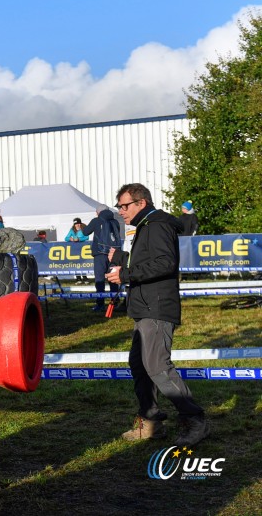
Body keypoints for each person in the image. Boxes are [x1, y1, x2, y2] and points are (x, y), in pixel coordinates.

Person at [106, 183, 208, 446]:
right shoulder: (146, 226)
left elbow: (165, 263)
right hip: (144, 307)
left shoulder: (157, 224)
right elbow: (148, 261)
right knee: (140, 367)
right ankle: (151, 422)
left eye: (124, 206)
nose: (120, 211)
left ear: (141, 203)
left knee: (157, 366)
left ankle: (194, 420)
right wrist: (122, 258)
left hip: (157, 307)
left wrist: (125, 274)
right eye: (119, 206)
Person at [82, 205, 121, 311]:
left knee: (100, 280)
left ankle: (100, 304)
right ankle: (115, 303)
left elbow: (85, 232)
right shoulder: (116, 222)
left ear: (98, 212)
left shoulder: (96, 220)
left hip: (100, 253)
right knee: (113, 278)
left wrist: (83, 226)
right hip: (114, 254)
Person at [66, 218, 89, 284]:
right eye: (76, 224)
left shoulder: (84, 228)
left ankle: (85, 278)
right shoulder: (72, 230)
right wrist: (70, 239)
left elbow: (86, 237)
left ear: (80, 223)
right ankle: (78, 278)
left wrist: (79, 239)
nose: (77, 225)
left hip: (82, 249)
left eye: (78, 224)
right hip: (75, 249)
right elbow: (66, 238)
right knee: (76, 263)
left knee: (83, 263)